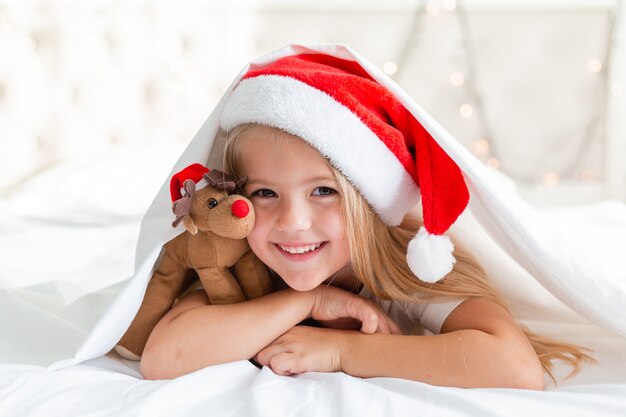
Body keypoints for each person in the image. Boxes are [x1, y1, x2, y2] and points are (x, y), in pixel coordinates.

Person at [139, 52, 591, 388]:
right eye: (265, 193)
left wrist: (343, 350)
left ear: (368, 199)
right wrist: (306, 302)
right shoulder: (245, 263)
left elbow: (514, 367)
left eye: (323, 191)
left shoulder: (404, 269)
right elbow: (164, 357)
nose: (294, 222)